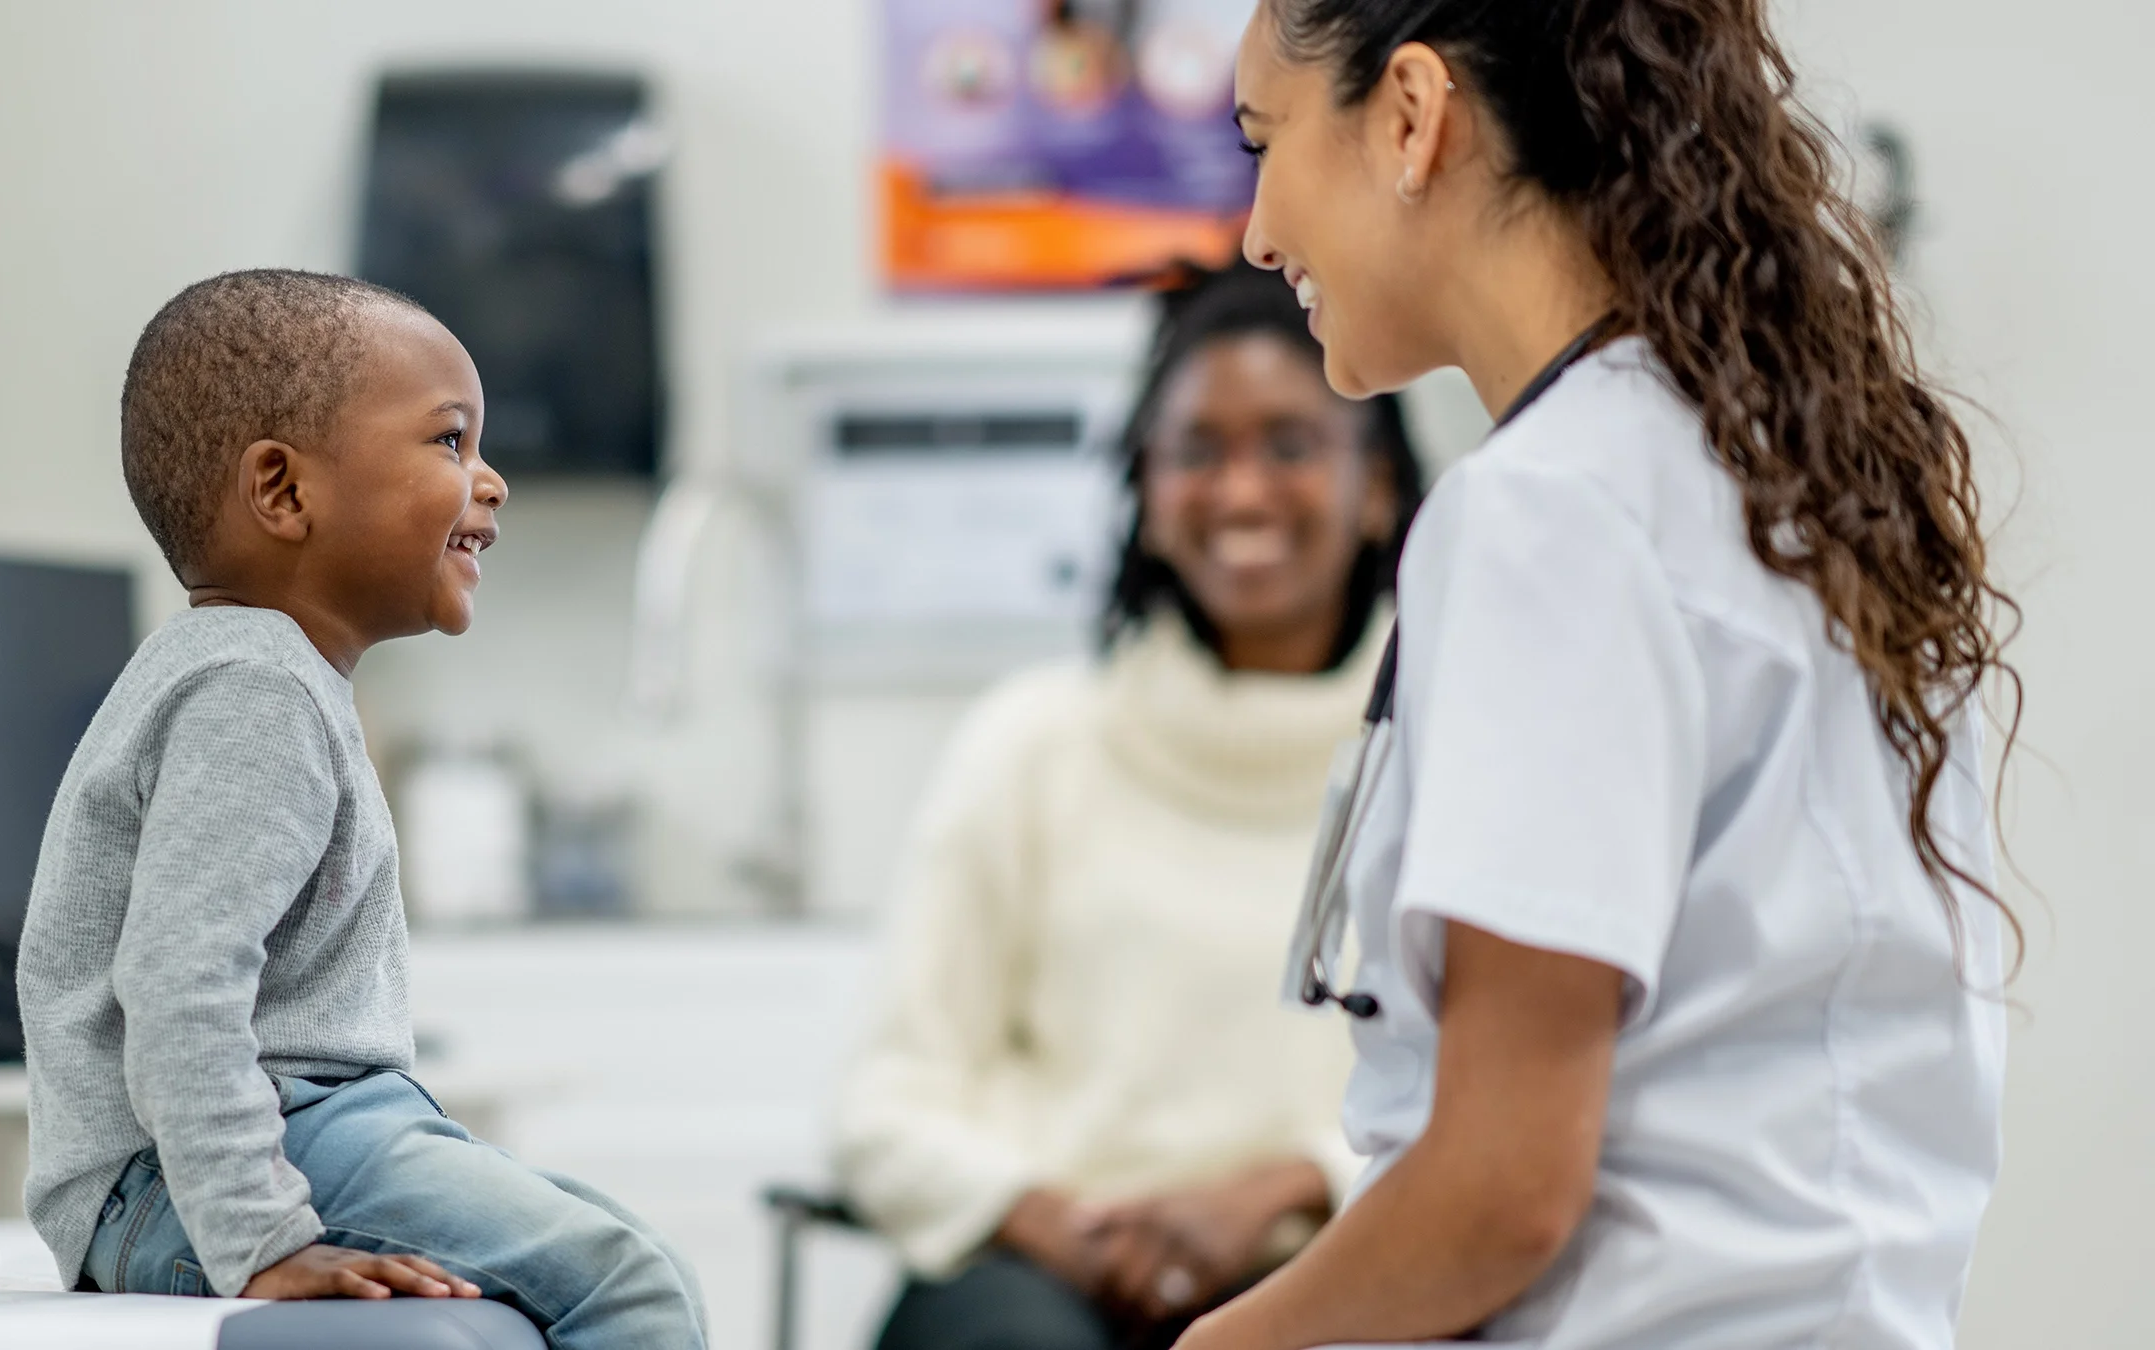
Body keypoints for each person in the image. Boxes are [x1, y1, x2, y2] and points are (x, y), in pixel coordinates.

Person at [1177, 2, 2019, 1348]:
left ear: (1410, 115)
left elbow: (1504, 1192)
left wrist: (1220, 1344)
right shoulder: (1798, 478)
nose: (1256, 232)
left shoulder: (1549, 511)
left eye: (1262, 141)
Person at [16, 270, 706, 1349]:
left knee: (618, 1243)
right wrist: (261, 1238)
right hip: (220, 1165)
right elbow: (177, 988)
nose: (492, 482)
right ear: (285, 493)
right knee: (628, 1289)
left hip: (287, 1140)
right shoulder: (256, 689)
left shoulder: (257, 674)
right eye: (448, 442)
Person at [831, 258, 1428, 1350]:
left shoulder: (1445, 757)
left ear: (1378, 486)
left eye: (1290, 445)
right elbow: (885, 1104)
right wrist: (1056, 1221)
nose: (1242, 492)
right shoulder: (1033, 745)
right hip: (1048, 1284)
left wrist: (1292, 1186)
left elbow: (1501, 1107)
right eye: (1199, 450)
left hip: (1336, 1272)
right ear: (1146, 495)